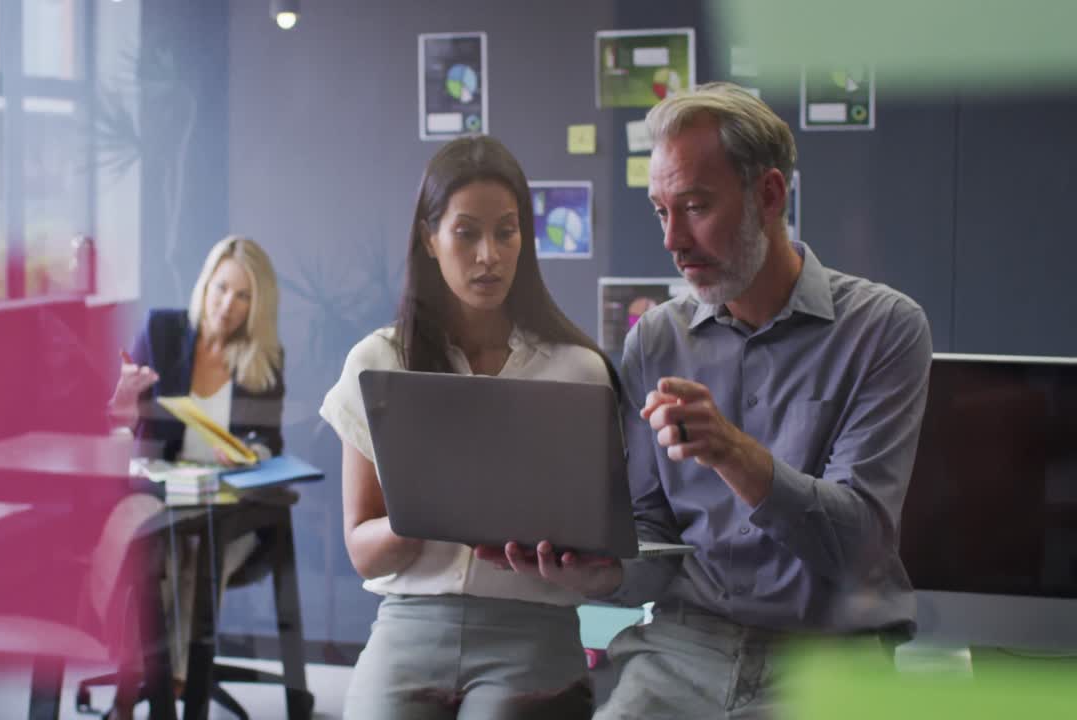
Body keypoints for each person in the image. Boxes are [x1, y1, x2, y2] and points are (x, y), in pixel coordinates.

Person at [480, 82, 933, 718]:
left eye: (694, 206)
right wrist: (593, 573)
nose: (673, 240)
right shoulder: (656, 339)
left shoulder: (884, 328)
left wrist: (734, 454)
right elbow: (654, 540)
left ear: (769, 195)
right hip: (681, 646)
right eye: (661, 210)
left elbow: (859, 549)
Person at [320, 135, 618, 719]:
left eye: (506, 232)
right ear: (429, 239)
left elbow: (608, 569)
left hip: (534, 626)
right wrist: (432, 511)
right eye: (466, 233)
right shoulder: (378, 362)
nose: (489, 255)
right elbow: (364, 552)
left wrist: (575, 565)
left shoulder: (577, 370)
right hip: (409, 623)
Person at [107, 234, 284, 704]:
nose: (228, 304)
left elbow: (270, 443)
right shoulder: (162, 333)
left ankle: (175, 683)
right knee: (161, 550)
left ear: (256, 305)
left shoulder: (264, 359)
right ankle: (152, 684)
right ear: (206, 283)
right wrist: (124, 400)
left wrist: (251, 456)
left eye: (243, 295)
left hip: (227, 512)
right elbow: (123, 425)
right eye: (222, 287)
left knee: (202, 550)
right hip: (164, 498)